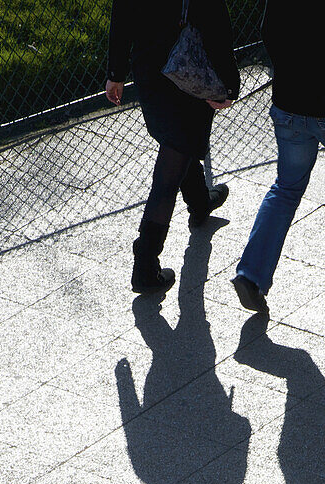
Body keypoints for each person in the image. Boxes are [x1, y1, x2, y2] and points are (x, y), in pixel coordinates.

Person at [232, 0, 325, 313]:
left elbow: (268, 30)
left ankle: (251, 273)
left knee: (286, 187)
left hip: (288, 104)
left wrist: (291, 73)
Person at [106, 0, 240, 293]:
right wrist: (229, 84)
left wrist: (115, 72)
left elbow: (122, 15)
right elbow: (215, 21)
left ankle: (200, 201)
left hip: (149, 70)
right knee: (168, 172)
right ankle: (145, 263)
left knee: (177, 143)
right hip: (187, 67)